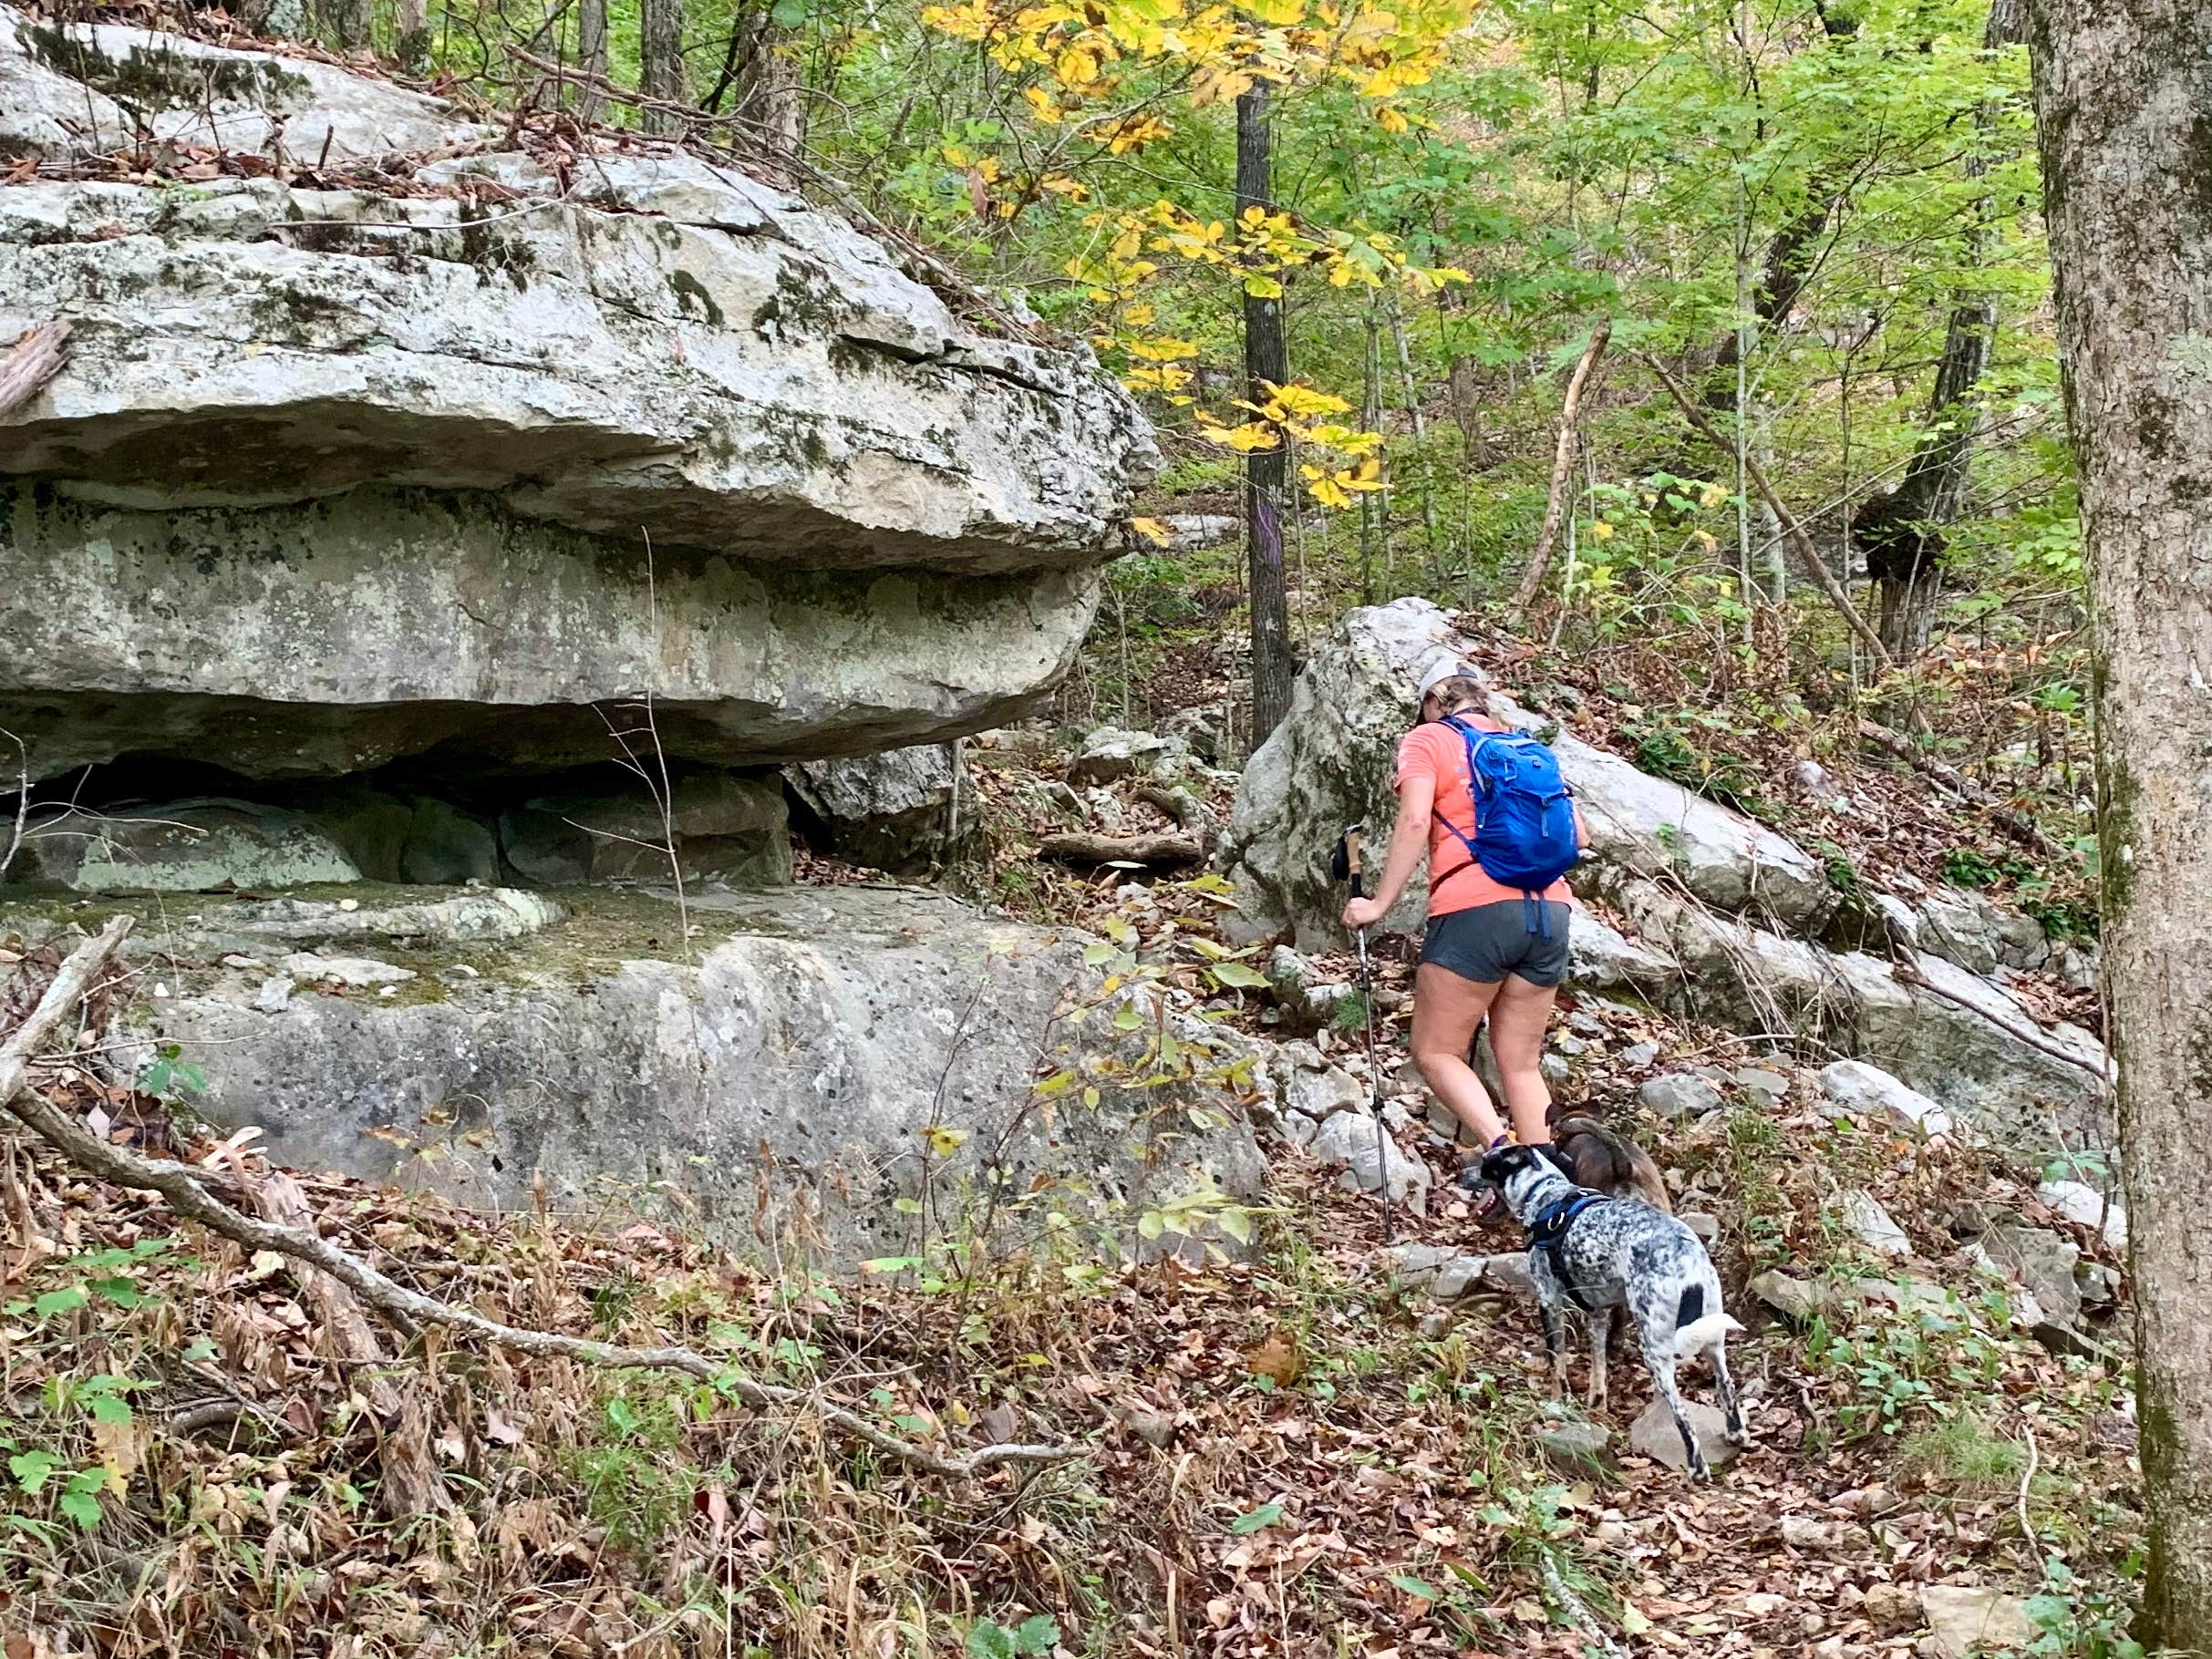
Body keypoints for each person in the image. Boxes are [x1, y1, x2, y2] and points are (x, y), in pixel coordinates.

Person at [1340, 655, 1587, 1151]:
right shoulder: (1524, 746)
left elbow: (1413, 821)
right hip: (1551, 910)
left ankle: (1507, 1158)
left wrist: (1379, 903)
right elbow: (1579, 835)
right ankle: (1550, 1198)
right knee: (1520, 1064)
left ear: (1433, 701)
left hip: (1477, 909)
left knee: (1435, 1051)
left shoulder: (1428, 740)